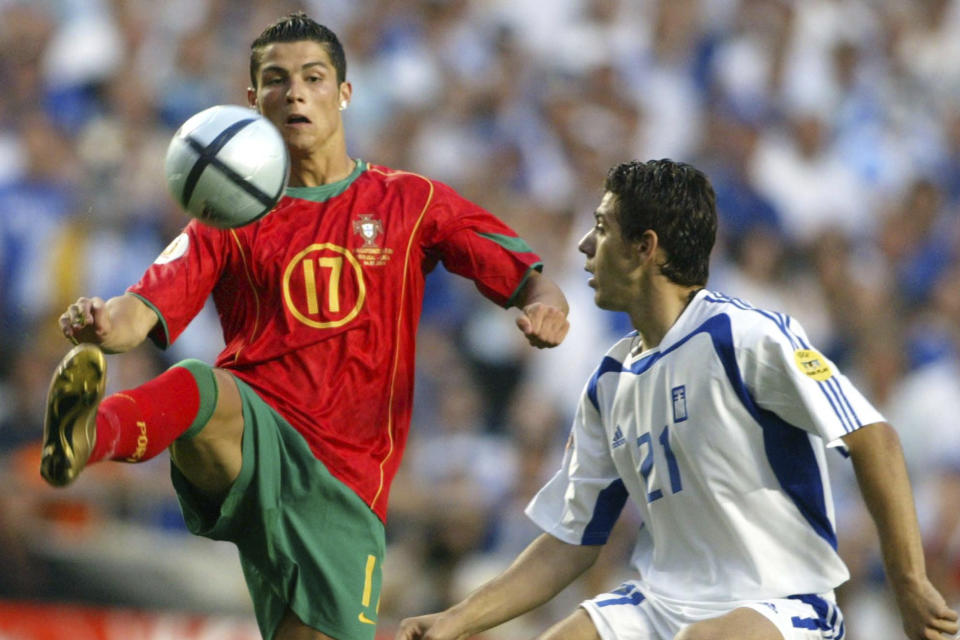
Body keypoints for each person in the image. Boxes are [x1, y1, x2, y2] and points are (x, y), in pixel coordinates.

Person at [41, 12, 570, 640]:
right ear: (251, 101)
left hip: (346, 483)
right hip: (257, 439)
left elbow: (526, 274)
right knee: (201, 389)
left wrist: (548, 306)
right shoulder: (226, 216)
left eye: (313, 77)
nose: (294, 92)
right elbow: (141, 311)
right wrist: (102, 323)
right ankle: (85, 437)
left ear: (345, 93)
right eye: (275, 79)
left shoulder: (409, 201)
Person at [395, 159, 960, 640]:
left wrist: (908, 581)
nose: (584, 245)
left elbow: (872, 437)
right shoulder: (609, 379)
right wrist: (460, 619)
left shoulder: (745, 335)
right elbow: (572, 540)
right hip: (662, 605)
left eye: (601, 227)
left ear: (645, 247)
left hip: (781, 604)